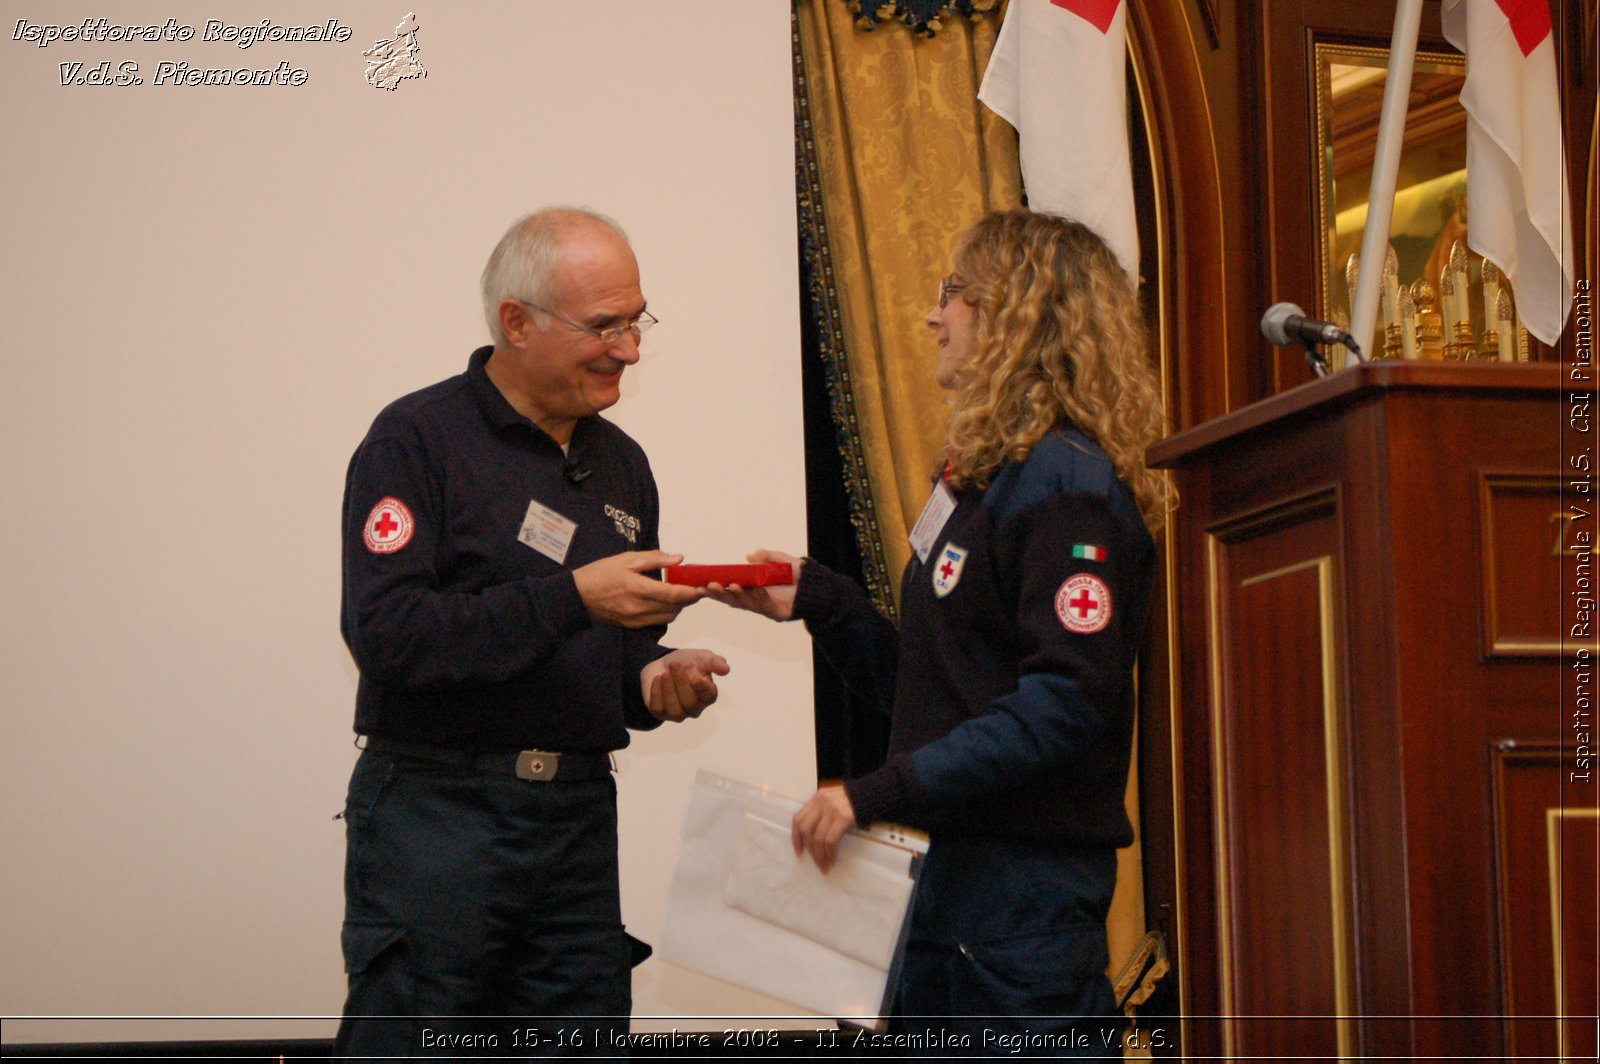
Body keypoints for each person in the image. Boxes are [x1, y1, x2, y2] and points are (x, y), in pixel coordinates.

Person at [710, 210, 1172, 1054]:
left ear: (1018, 314)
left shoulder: (1069, 485)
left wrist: (868, 793)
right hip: (948, 884)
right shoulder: (983, 480)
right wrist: (822, 601)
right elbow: (938, 693)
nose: (934, 315)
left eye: (952, 293)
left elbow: (1066, 701)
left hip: (1020, 902)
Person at [336, 207, 729, 1057]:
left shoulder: (623, 464)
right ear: (516, 322)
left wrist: (657, 680)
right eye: (604, 325)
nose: (629, 348)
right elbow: (388, 634)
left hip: (578, 826)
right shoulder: (416, 440)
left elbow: (616, 657)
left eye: (636, 321)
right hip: (439, 819)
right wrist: (572, 598)